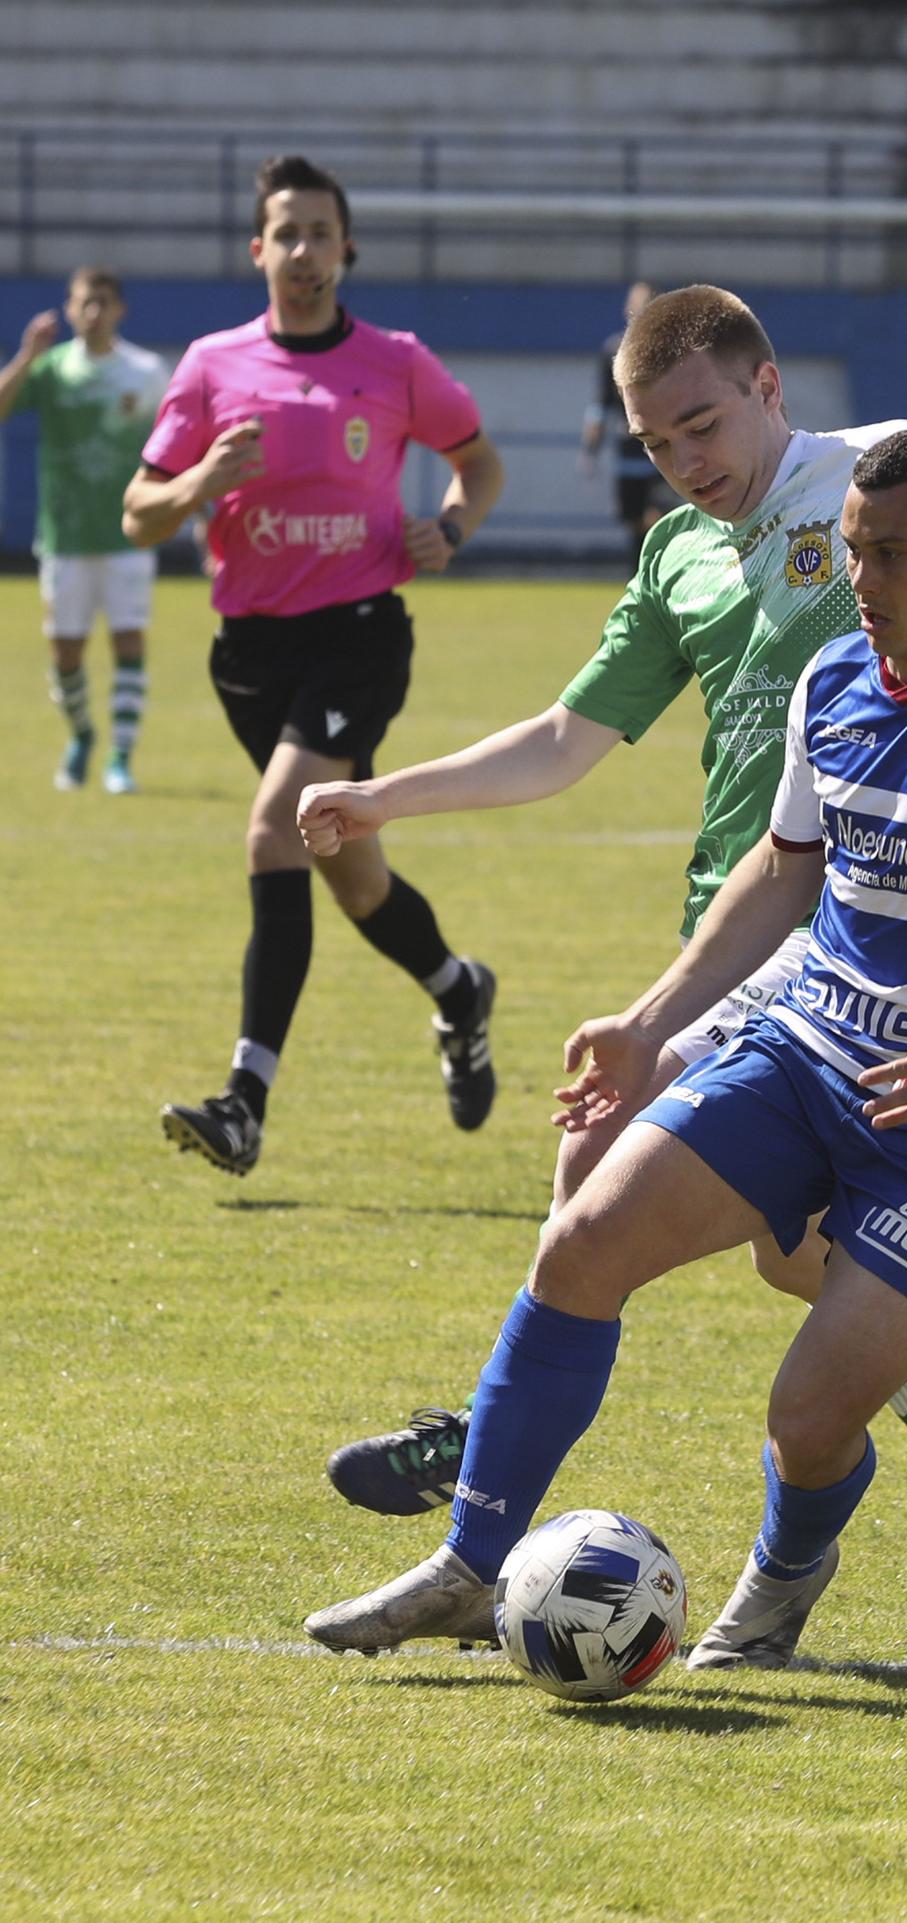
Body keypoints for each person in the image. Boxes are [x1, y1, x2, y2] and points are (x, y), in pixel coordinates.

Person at [297, 283, 907, 1515]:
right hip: (737, 914)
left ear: (768, 390)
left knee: (597, 1153)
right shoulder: (676, 552)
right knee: (797, 1259)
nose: (685, 461)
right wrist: (387, 799)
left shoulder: (872, 481)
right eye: (654, 443)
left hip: (847, 935)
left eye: (701, 425)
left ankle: (479, 1456)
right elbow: (562, 740)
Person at [122, 154, 505, 1177]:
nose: (303, 251)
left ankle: (243, 1100)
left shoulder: (395, 361)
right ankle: (459, 990)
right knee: (352, 872)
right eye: (284, 233)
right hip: (249, 656)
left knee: (272, 829)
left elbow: (479, 460)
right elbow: (138, 508)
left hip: (362, 634)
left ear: (346, 248)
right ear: (258, 250)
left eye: (319, 232)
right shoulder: (209, 365)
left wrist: (452, 528)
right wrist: (202, 477)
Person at [0, 268, 170, 794]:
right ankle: (82, 737)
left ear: (120, 309)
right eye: (83, 303)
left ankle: (121, 757)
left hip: (129, 534)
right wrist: (26, 356)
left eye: (102, 302)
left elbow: (173, 451)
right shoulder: (52, 370)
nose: (92, 312)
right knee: (65, 652)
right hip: (66, 537)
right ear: (69, 310)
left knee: (127, 641)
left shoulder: (144, 371)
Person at [578, 280, 678, 570]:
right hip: (629, 449)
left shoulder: (670, 350)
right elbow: (602, 404)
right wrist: (590, 448)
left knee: (660, 515)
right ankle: (639, 578)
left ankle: (663, 575)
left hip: (663, 445)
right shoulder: (613, 350)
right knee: (634, 518)